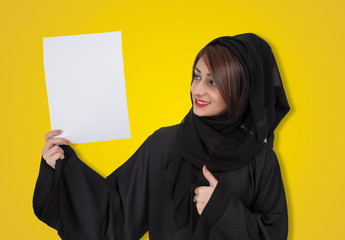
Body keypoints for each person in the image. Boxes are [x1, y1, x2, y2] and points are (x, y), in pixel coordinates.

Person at [33, 33, 290, 240]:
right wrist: (62, 166)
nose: (196, 90)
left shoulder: (261, 159)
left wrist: (223, 211)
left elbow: (274, 233)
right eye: (197, 76)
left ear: (241, 89)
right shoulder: (164, 145)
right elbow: (115, 214)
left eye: (212, 82)